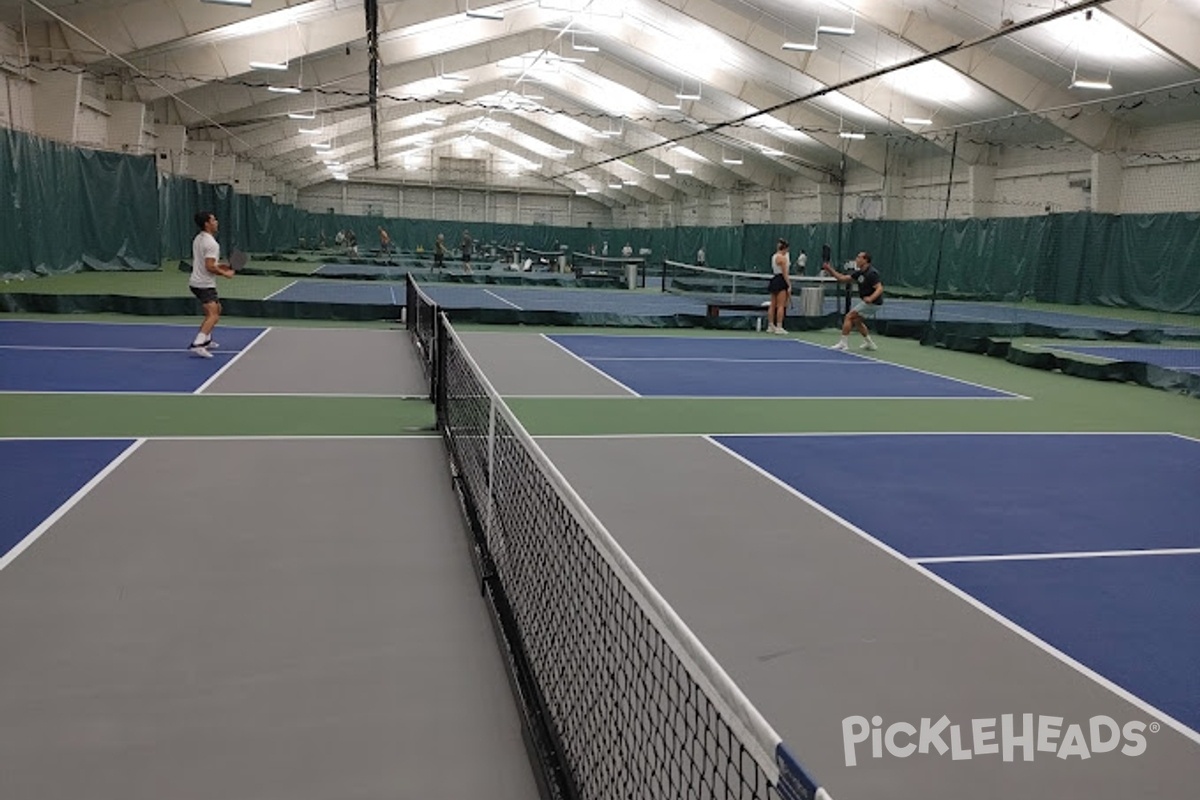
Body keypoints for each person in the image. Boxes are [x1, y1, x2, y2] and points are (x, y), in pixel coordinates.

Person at [187, 211, 234, 358]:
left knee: (216, 309)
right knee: (213, 315)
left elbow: (208, 262)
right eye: (214, 220)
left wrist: (222, 265)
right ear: (207, 224)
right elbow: (209, 267)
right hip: (203, 284)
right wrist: (225, 274)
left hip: (198, 282)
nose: (216, 222)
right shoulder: (212, 243)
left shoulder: (199, 238)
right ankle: (198, 344)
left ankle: (206, 340)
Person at [822, 250, 882, 351]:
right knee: (857, 321)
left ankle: (843, 344)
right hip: (869, 302)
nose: (856, 259)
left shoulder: (872, 273)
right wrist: (829, 269)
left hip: (873, 303)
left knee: (849, 317)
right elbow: (842, 278)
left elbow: (879, 288)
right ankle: (869, 343)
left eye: (859, 257)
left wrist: (871, 298)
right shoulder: (860, 273)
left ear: (865, 260)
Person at [766, 238, 791, 335]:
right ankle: (779, 327)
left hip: (774, 279)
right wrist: (789, 285)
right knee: (781, 305)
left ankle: (771, 326)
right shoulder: (783, 258)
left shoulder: (774, 256)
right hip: (781, 280)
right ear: (784, 249)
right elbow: (785, 273)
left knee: (773, 304)